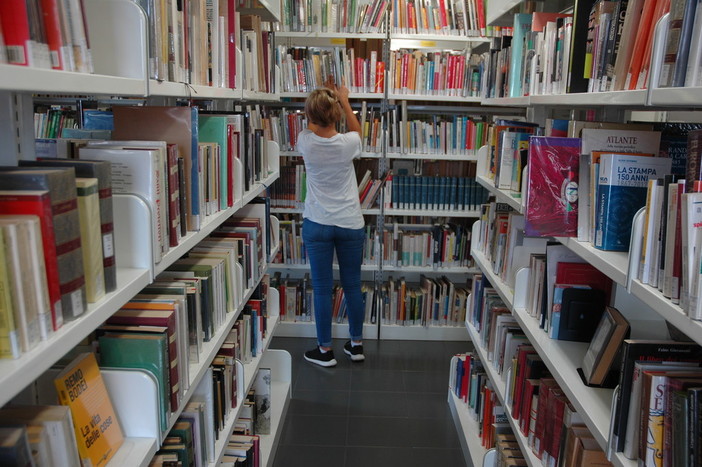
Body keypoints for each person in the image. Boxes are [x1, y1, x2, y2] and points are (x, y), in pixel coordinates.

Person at [296, 79, 366, 367]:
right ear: (336, 114)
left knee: (323, 288)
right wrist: (343, 100)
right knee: (352, 285)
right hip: (350, 222)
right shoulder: (349, 142)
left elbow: (316, 124)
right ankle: (356, 345)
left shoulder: (305, 140)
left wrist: (321, 105)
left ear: (310, 116)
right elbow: (357, 131)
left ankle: (325, 351)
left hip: (318, 223)